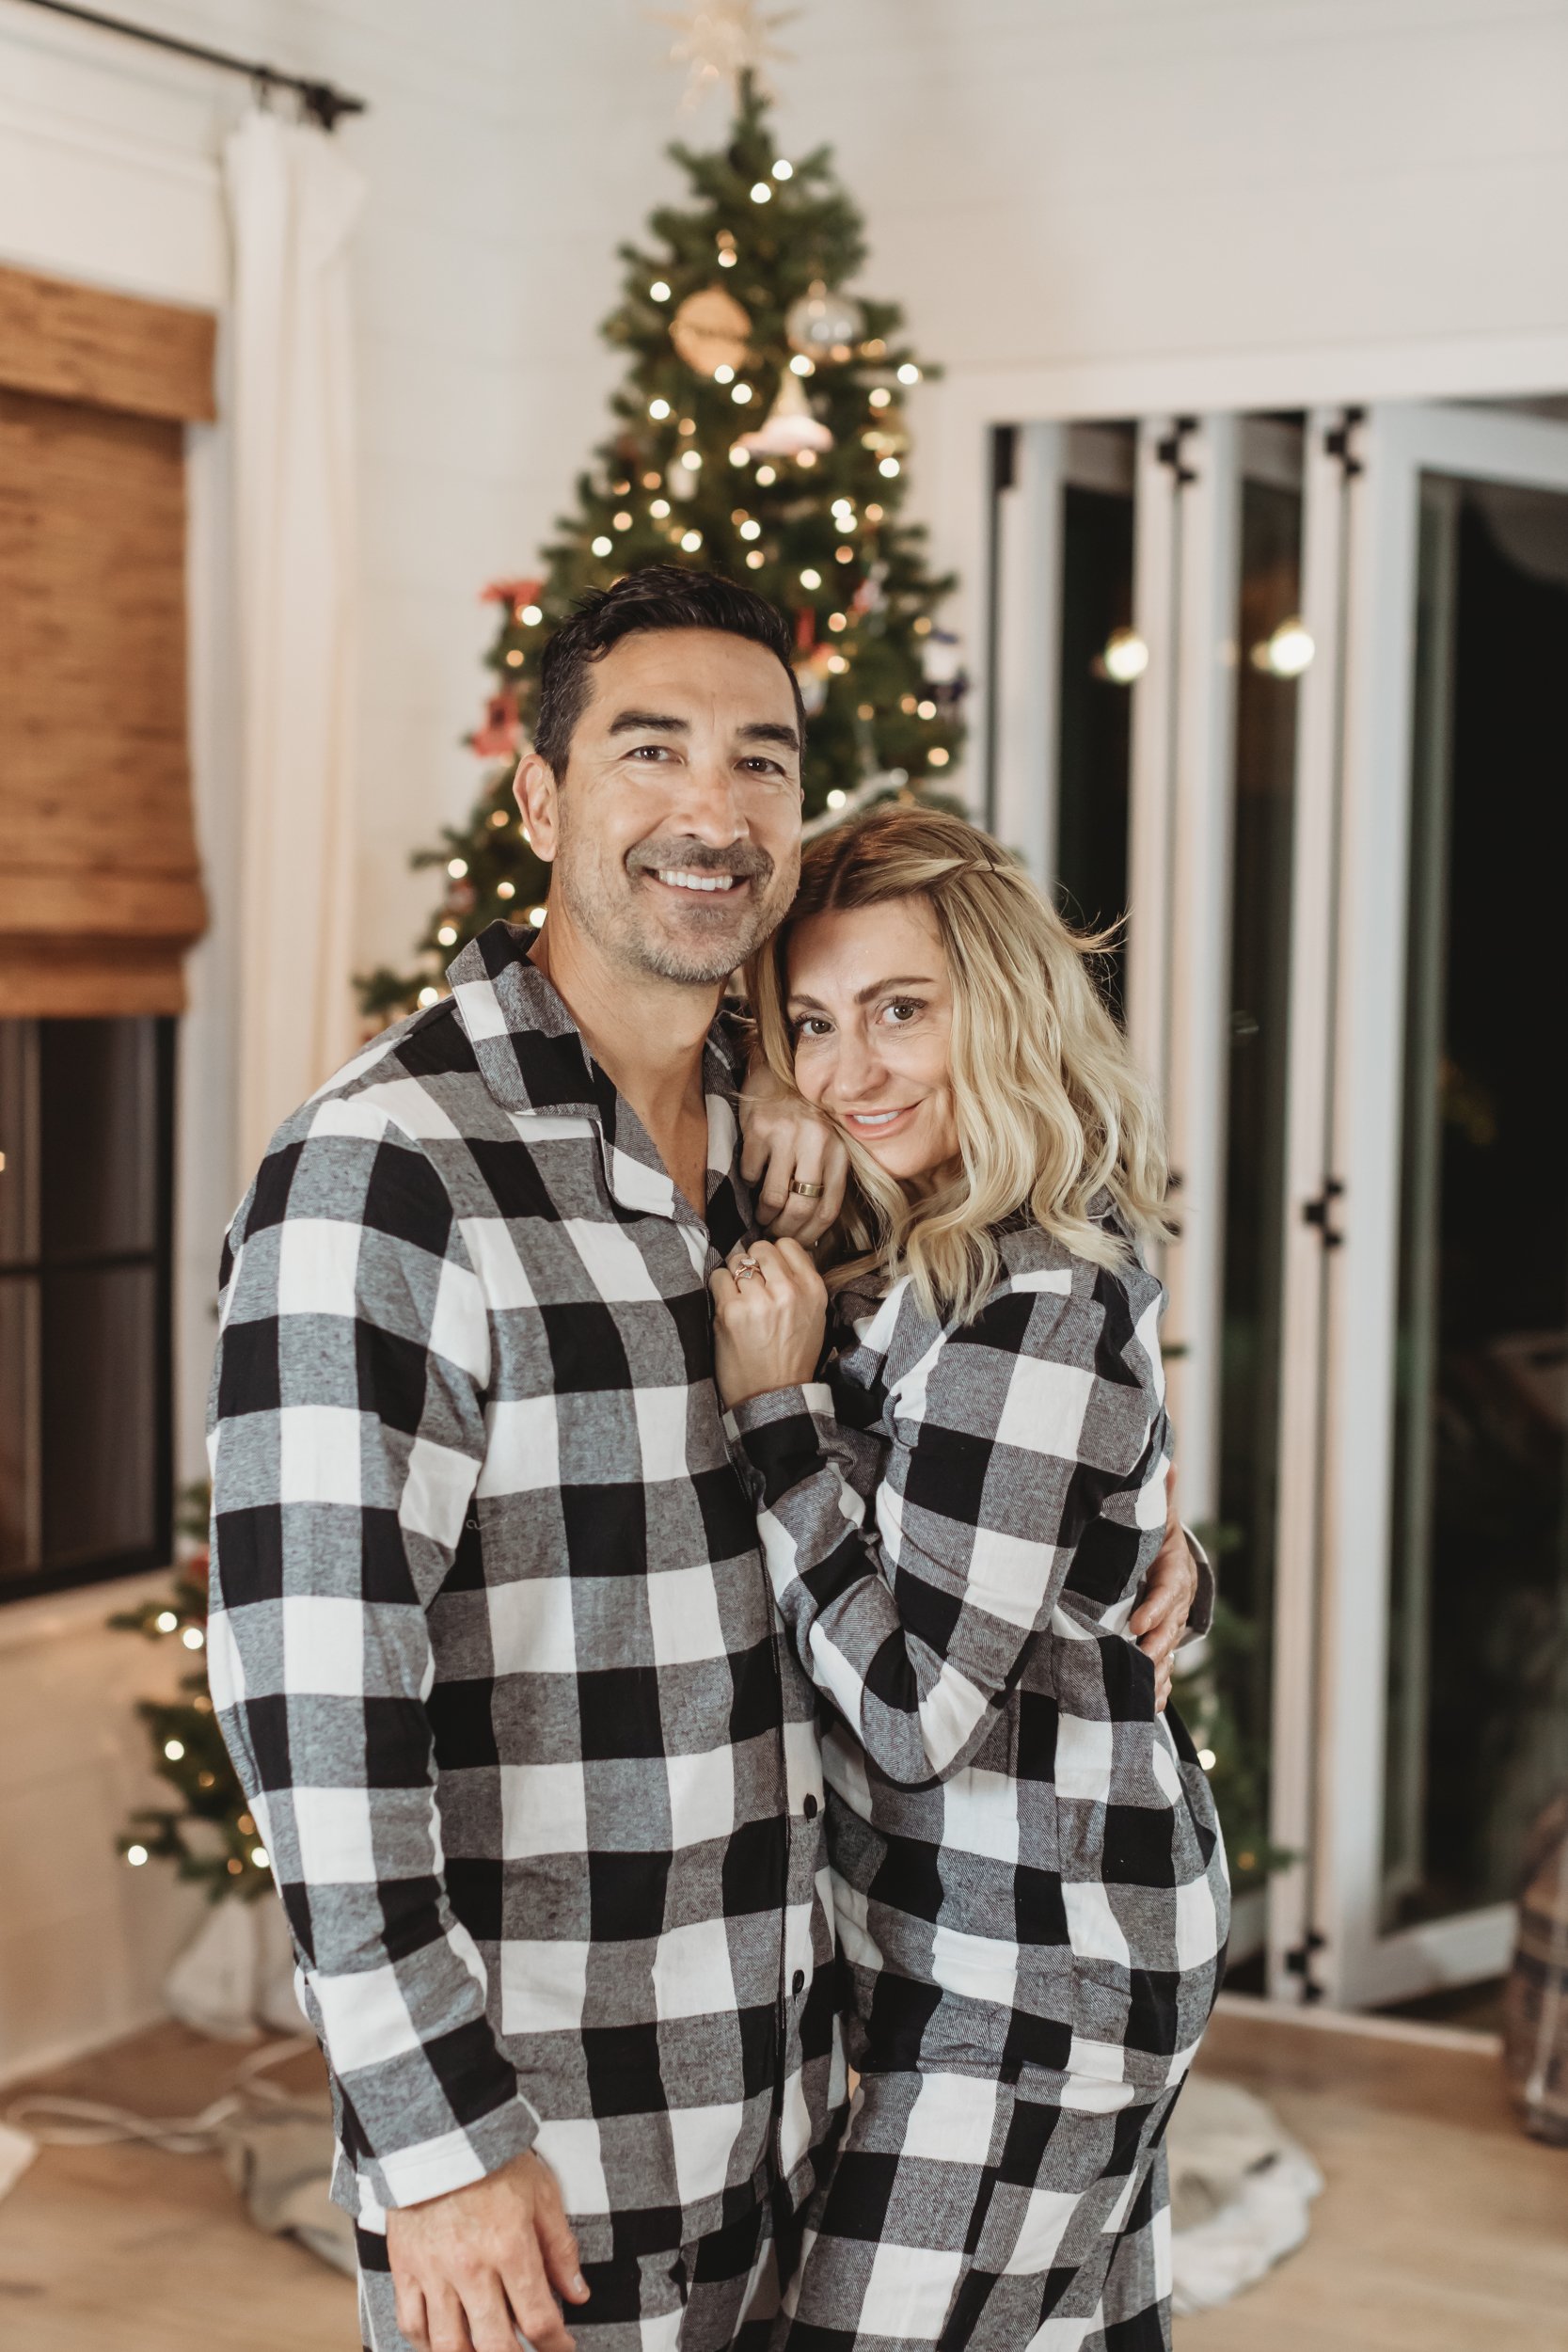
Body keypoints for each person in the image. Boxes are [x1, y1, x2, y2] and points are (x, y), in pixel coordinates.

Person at [205, 566, 1202, 2352]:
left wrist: (1139, 1558)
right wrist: (433, 2133)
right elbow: (309, 1691)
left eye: (760, 760)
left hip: (812, 2061)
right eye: (650, 748)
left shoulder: (792, 1160)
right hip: (561, 2110)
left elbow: (998, 1424)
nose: (711, 807)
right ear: (541, 797)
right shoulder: (389, 1172)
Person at [710, 807, 1228, 2351]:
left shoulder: (1031, 1300)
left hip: (1041, 1969)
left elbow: (918, 1712)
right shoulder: (914, 1252)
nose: (852, 1069)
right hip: (979, 1943)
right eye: (812, 1022)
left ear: (996, 1011)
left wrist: (771, 1414)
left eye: (901, 1011)